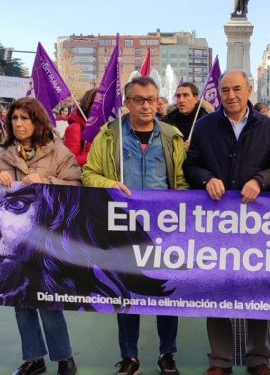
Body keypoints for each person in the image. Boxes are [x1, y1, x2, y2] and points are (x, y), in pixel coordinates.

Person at [183, 70, 270, 375]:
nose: (230, 95)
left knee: (257, 288)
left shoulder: (268, 128)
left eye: (237, 89)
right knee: (216, 288)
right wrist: (206, 179)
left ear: (249, 89)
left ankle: (258, 358)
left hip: (256, 225)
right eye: (225, 89)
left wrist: (259, 180)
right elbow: (191, 166)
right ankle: (220, 359)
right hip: (216, 225)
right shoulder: (204, 127)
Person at [83, 76, 188, 375]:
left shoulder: (172, 137)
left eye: (152, 99)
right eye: (139, 99)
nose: (147, 105)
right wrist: (110, 184)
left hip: (164, 229)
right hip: (122, 226)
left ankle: (168, 354)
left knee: (167, 290)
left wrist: (179, 205)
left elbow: (181, 182)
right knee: (126, 291)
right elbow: (89, 174)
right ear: (127, 103)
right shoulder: (109, 136)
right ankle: (129, 357)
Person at [0, 97, 80, 375]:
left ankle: (64, 358)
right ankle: (33, 359)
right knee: (20, 300)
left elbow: (76, 186)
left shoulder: (59, 153)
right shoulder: (3, 154)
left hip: (46, 237)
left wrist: (46, 181)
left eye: (24, 118)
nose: (18, 124)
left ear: (37, 121)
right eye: (14, 119)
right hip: (13, 238)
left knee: (48, 300)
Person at [63, 88, 97, 167]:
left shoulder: (99, 126)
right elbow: (71, 161)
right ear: (90, 105)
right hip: (81, 176)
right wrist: (95, 156)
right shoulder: (76, 128)